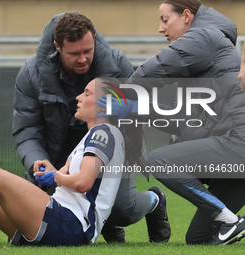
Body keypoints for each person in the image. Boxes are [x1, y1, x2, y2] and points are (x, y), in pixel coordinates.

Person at [0, 78, 164, 248]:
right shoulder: (94, 135)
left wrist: (55, 178)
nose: (79, 97)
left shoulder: (105, 132)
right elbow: (69, 179)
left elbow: (83, 183)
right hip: (59, 222)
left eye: (86, 93)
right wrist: (51, 172)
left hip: (72, 226)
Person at [99, 0, 245, 245]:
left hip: (239, 144)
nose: (160, 28)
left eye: (165, 20)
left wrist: (123, 94)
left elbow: (156, 68)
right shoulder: (207, 55)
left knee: (160, 160)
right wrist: (138, 109)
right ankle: (229, 221)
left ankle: (230, 221)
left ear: (187, 16)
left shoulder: (204, 36)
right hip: (234, 155)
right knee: (199, 238)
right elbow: (188, 124)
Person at [11, 11, 151, 243]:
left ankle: (153, 201)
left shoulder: (118, 66)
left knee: (123, 210)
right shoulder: (30, 74)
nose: (83, 59)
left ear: (94, 38)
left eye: (88, 51)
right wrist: (36, 162)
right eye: (74, 53)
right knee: (34, 210)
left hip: (107, 147)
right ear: (57, 47)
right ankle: (102, 221)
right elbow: (27, 131)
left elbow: (132, 121)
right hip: (55, 152)